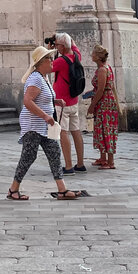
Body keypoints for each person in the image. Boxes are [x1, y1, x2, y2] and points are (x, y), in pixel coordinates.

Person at [7, 45, 80, 201]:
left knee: (54, 153)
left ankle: (62, 190)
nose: (52, 60)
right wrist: (45, 116)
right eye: (49, 58)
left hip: (44, 126)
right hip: (33, 125)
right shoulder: (35, 78)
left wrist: (56, 101)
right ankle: (13, 189)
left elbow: (42, 98)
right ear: (40, 62)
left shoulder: (43, 78)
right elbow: (27, 101)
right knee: (29, 156)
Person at [51, 32, 86, 174]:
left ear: (63, 46)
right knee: (76, 131)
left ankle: (69, 165)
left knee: (63, 132)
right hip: (73, 101)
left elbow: (46, 67)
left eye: (58, 45)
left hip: (62, 103)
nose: (56, 47)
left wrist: (49, 49)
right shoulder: (77, 56)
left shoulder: (61, 61)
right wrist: (62, 37)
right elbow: (73, 44)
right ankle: (80, 163)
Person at [87, 44, 119, 170]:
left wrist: (92, 104)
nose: (92, 55)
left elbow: (101, 90)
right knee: (103, 128)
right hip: (107, 101)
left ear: (98, 57)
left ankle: (110, 162)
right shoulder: (107, 68)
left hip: (104, 102)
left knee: (105, 129)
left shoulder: (102, 70)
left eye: (93, 54)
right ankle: (103, 157)